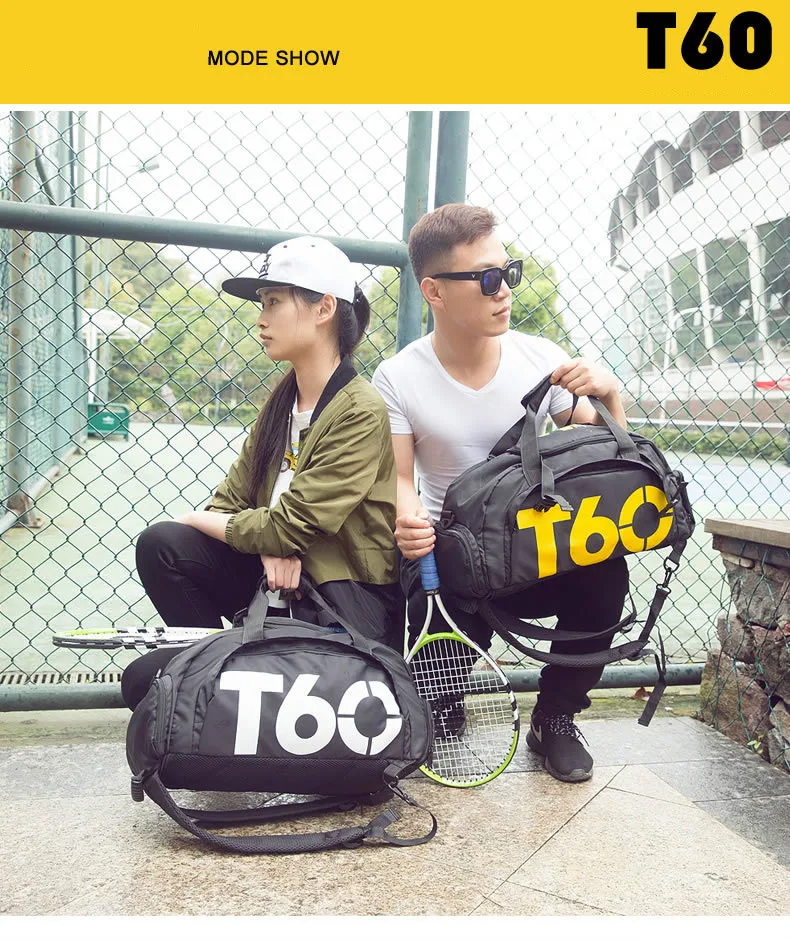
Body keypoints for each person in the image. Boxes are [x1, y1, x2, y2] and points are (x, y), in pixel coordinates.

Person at [371, 204, 630, 784]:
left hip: (535, 547)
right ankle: (442, 703)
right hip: (450, 560)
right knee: (432, 697)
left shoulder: (542, 359)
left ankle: (556, 718)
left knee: (605, 567)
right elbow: (400, 480)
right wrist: (407, 520)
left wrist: (611, 394)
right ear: (434, 291)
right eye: (487, 279)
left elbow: (611, 458)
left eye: (508, 272)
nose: (505, 290)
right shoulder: (398, 377)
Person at [122, 236, 402, 709]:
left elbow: (288, 526)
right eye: (262, 303)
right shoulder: (281, 405)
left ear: (324, 308)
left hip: (335, 608)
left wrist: (218, 524)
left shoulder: (359, 409)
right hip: (272, 589)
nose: (261, 318)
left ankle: (219, 685)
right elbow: (229, 504)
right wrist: (267, 543)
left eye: (274, 302)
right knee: (162, 545)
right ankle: (213, 675)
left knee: (145, 681)